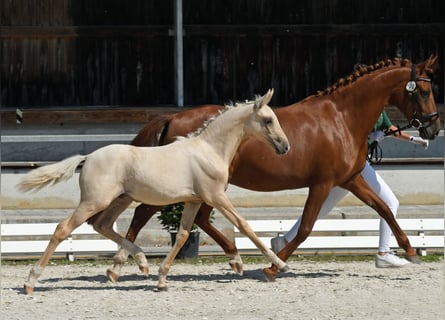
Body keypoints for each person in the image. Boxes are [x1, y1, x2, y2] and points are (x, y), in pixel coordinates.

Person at [271, 110, 429, 268]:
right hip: (355, 164)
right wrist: (369, 137)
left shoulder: (379, 111)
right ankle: (384, 252)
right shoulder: (362, 109)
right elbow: (350, 133)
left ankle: (284, 241)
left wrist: (413, 139)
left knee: (322, 208)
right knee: (391, 203)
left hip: (354, 164)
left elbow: (389, 129)